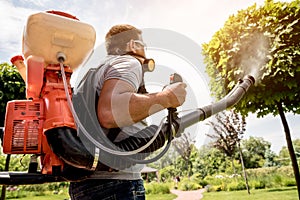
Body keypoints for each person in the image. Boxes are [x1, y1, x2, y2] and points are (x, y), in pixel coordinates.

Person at [69, 24, 187, 200]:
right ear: (133, 45)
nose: (145, 50)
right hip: (117, 185)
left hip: (85, 185)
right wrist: (166, 98)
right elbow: (109, 112)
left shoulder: (93, 73)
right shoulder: (128, 62)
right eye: (143, 45)